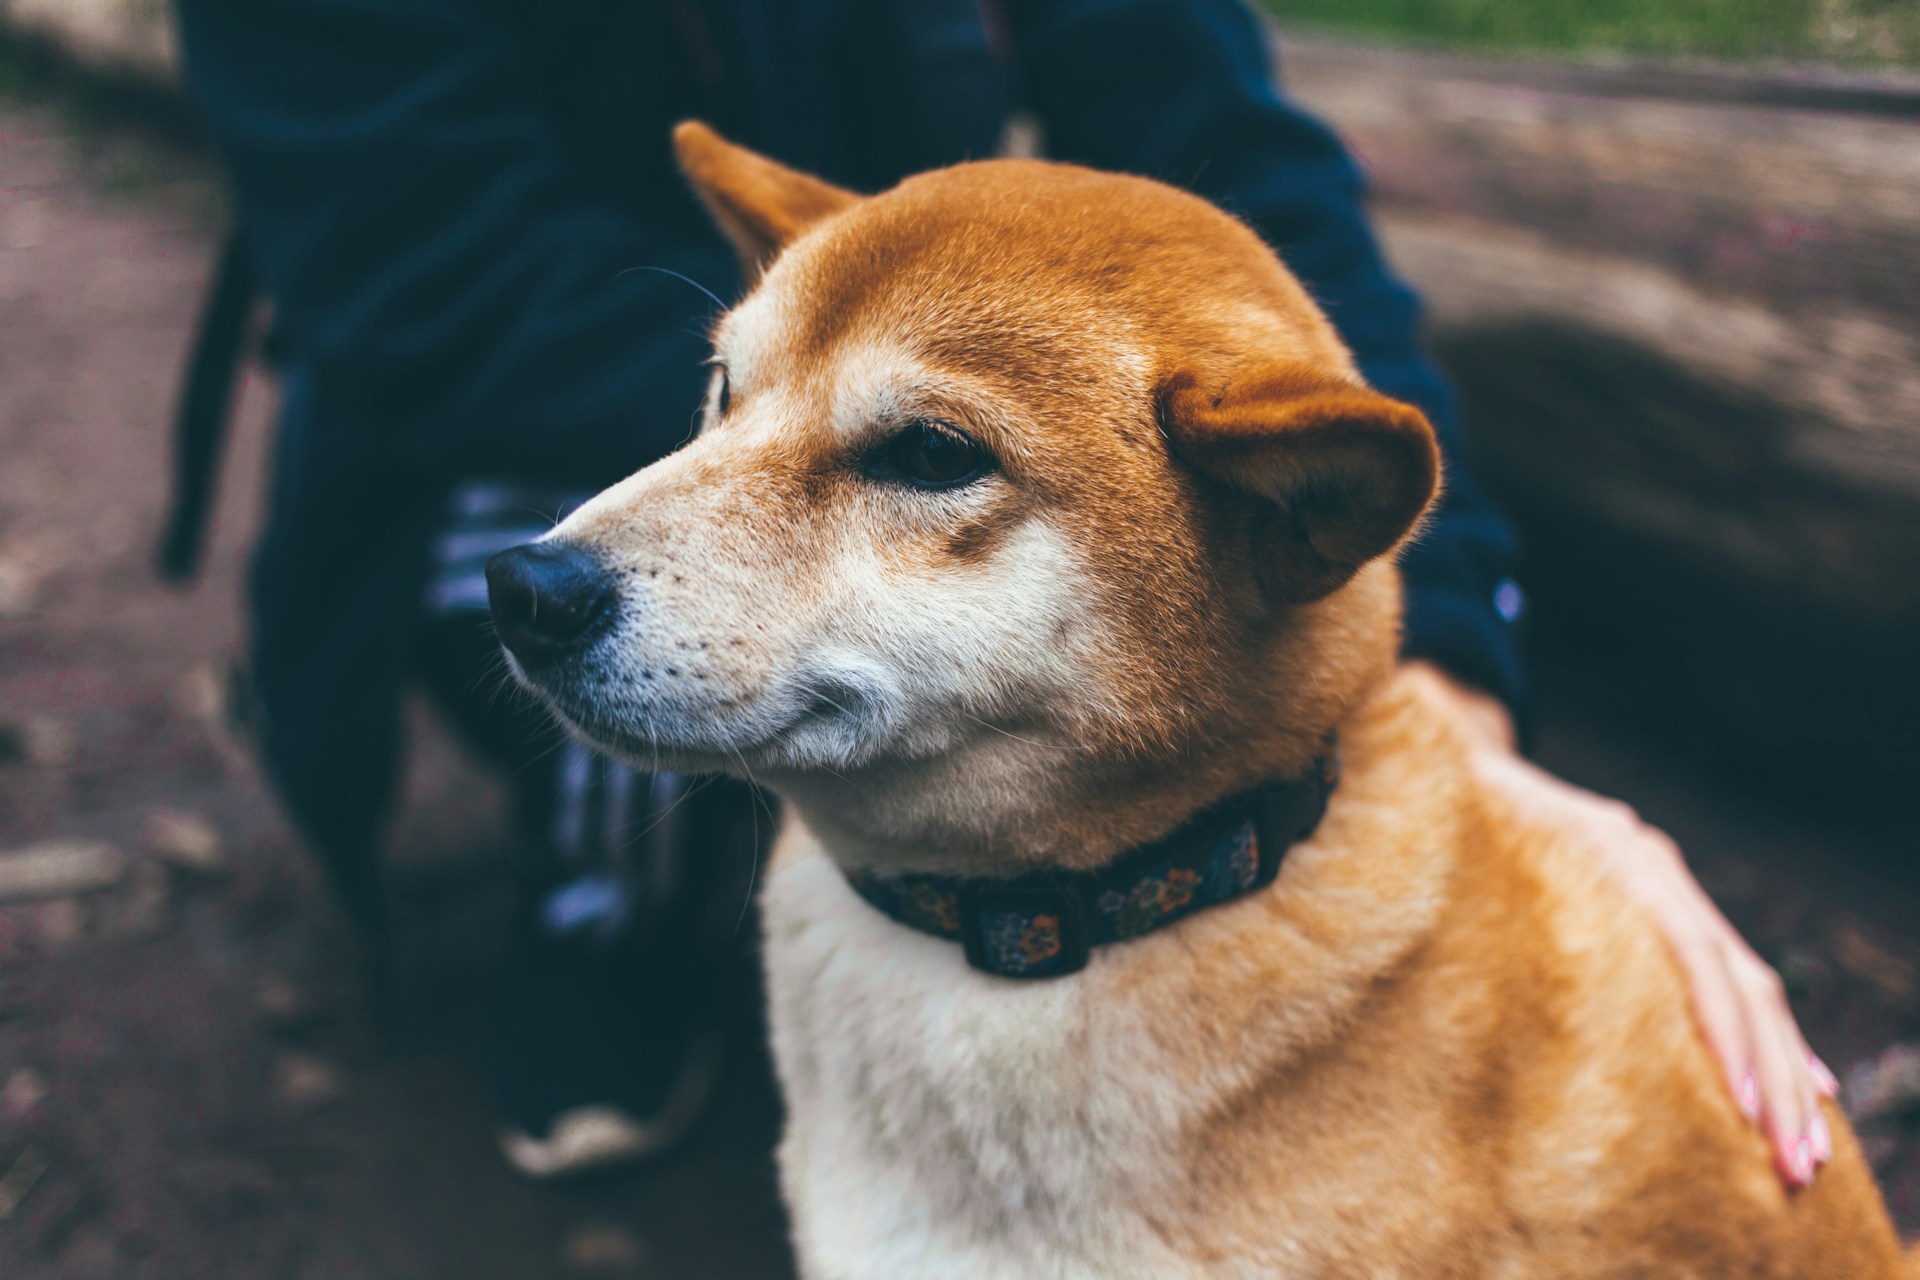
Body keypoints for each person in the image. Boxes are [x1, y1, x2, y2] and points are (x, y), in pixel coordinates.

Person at [167, 0, 1834, 1185]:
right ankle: (596, 906)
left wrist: (1453, 672)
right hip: (516, 383)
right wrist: (835, 368)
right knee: (591, 568)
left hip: (899, 322)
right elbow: (429, 283)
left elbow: (1241, 174)